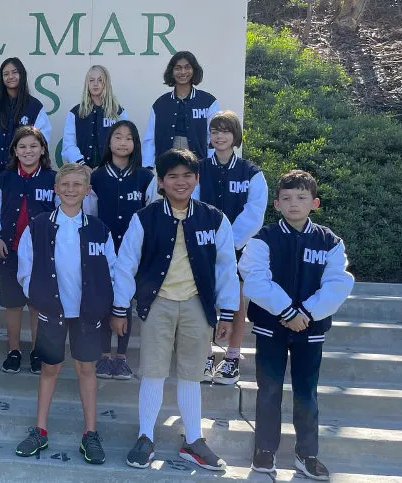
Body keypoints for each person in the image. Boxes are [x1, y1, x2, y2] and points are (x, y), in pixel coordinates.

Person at [115, 149, 239, 471]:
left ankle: (193, 440)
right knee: (153, 372)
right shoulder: (145, 218)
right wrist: (119, 307)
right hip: (157, 303)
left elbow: (226, 267)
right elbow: (126, 264)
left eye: (187, 175)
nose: (180, 182)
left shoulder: (214, 218)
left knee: (191, 374)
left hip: (197, 304)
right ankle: (145, 436)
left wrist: (227, 312)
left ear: (197, 179)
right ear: (160, 181)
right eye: (172, 176)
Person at [239, 170, 354, 480]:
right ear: (276, 204)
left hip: (311, 331)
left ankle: (307, 454)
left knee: (307, 394)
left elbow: (338, 282)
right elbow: (254, 277)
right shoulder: (264, 238)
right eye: (287, 198)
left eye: (302, 197)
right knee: (269, 390)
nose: (294, 203)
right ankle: (265, 450)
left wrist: (307, 313)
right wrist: (288, 311)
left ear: (314, 203)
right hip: (271, 329)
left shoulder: (329, 241)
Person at [13, 163, 126, 465]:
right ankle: (40, 430)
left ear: (87, 190)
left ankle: (90, 434)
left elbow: (112, 270)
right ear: (55, 189)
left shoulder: (99, 229)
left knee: (86, 370)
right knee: (49, 369)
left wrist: (107, 304)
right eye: (65, 184)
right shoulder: (39, 225)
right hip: (52, 311)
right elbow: (25, 265)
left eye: (78, 185)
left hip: (87, 314)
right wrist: (36, 296)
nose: (71, 189)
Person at [194, 110, 268, 384]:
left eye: (225, 131)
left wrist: (228, 242)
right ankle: (205, 356)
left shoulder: (252, 172)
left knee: (236, 302)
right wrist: (208, 241)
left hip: (238, 247)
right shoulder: (199, 168)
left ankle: (232, 358)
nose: (219, 136)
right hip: (203, 245)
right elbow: (193, 205)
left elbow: (254, 213)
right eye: (214, 131)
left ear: (235, 135)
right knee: (203, 300)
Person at [84, 120, 158, 380]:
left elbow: (153, 214)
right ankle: (104, 355)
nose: (123, 142)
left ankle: (121, 358)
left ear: (136, 144)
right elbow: (90, 214)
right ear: (109, 142)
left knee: (125, 299)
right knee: (105, 300)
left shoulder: (146, 177)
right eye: (118, 136)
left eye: (129, 138)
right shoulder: (96, 176)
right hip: (104, 249)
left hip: (134, 251)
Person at [0, 126, 58, 375]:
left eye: (34, 146)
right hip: (10, 251)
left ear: (43, 149)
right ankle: (13, 350)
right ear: (14, 150)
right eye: (22, 146)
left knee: (37, 304)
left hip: (42, 255)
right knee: (12, 304)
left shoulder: (53, 179)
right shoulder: (1, 179)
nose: (28, 151)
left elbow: (61, 214)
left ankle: (37, 351)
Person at [0, 57, 51, 199]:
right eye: (6, 74)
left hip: (22, 175)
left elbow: (43, 138)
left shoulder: (34, 107)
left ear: (22, 74)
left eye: (14, 72)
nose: (10, 77)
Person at [142, 51, 220, 169]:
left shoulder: (208, 102)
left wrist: (211, 165)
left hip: (199, 165)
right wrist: (147, 167)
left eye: (187, 67)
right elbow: (150, 138)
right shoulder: (160, 104)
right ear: (171, 72)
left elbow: (214, 137)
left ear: (194, 70)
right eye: (178, 68)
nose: (183, 72)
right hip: (167, 165)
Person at [61, 65, 129, 168]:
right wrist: (82, 165)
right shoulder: (75, 113)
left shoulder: (118, 113)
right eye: (91, 80)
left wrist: (106, 167)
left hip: (110, 170)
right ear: (87, 84)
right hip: (82, 171)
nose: (95, 84)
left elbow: (124, 144)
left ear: (106, 83)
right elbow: (68, 145)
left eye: (100, 80)